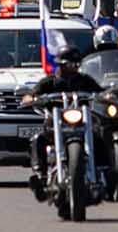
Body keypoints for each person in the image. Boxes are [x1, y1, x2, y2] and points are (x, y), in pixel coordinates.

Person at [24, 34, 102, 196]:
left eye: (76, 64)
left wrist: (107, 95)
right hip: (55, 126)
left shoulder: (85, 80)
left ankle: (106, 172)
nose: (73, 68)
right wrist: (30, 98)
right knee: (38, 139)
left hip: (81, 123)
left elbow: (100, 92)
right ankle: (40, 175)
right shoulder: (50, 82)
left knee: (99, 137)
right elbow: (32, 93)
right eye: (70, 64)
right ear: (61, 64)